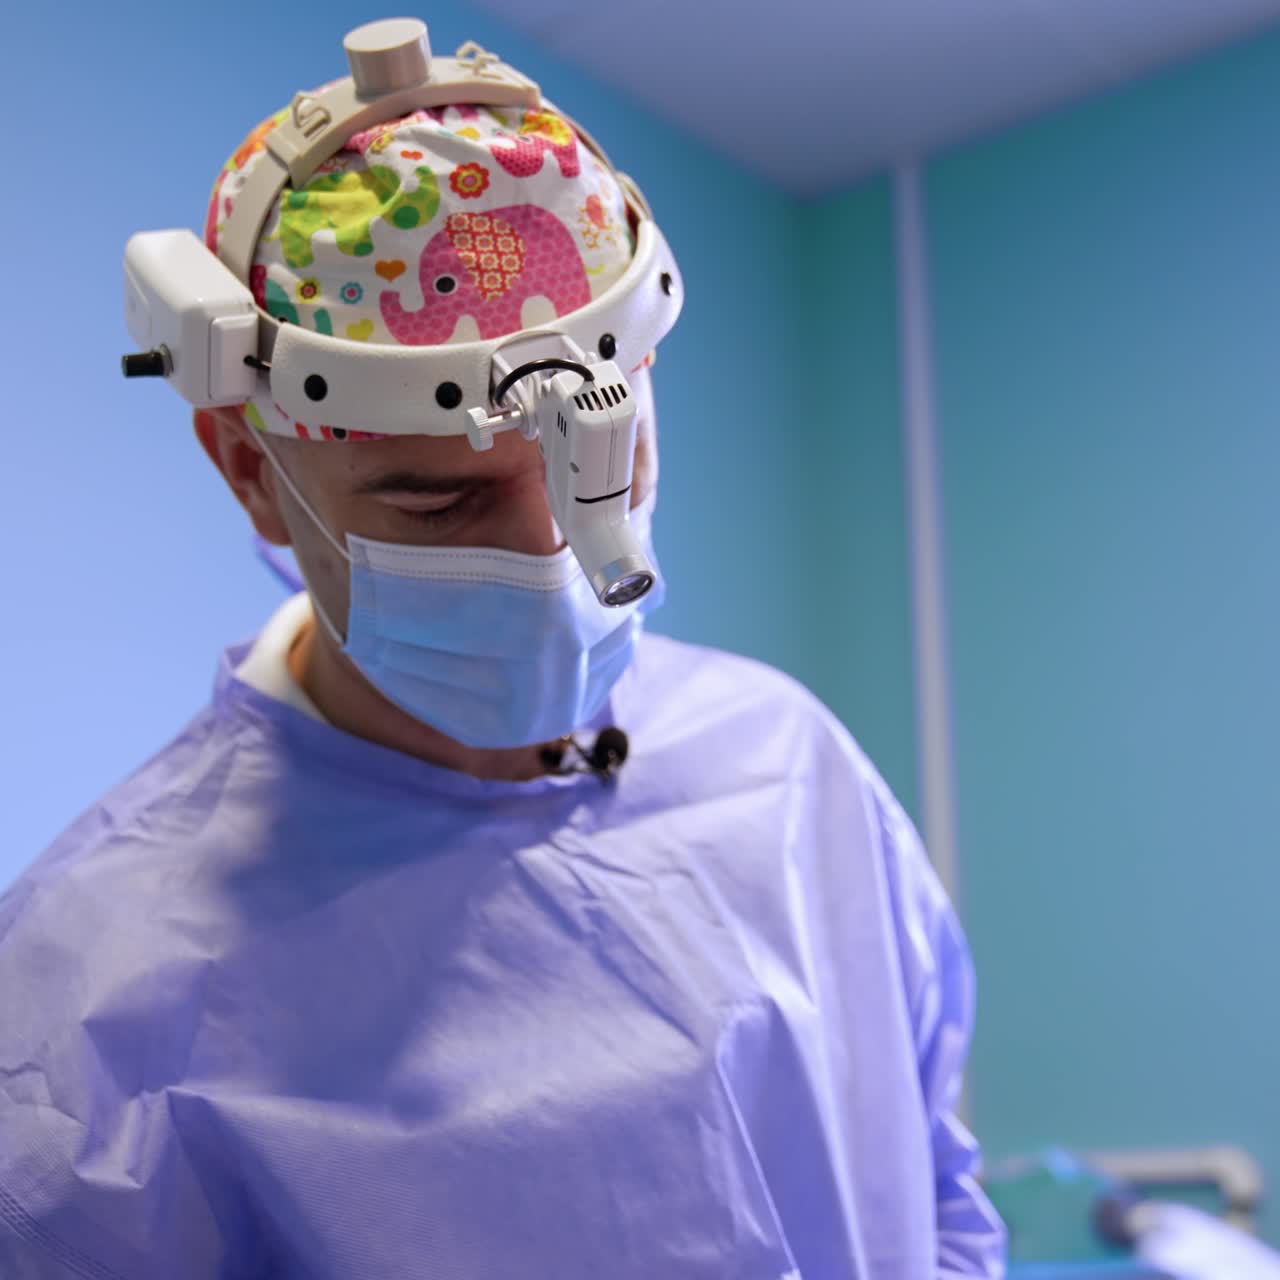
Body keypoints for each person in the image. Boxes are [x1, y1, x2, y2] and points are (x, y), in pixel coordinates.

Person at [0, 19, 1006, 1279]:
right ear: (251, 467)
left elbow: (933, 1197)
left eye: (604, 463)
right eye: (441, 503)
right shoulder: (91, 1008)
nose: (560, 567)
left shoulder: (789, 769)